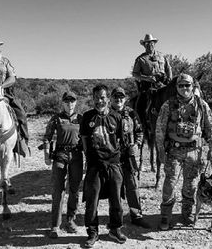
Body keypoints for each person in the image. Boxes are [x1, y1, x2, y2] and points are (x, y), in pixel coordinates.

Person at [155, 72, 212, 230]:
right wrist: (160, 150)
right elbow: (160, 129)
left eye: (187, 85)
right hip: (174, 151)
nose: (184, 88)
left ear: (193, 86)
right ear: (176, 87)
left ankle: (187, 213)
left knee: (191, 185)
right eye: (180, 85)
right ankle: (165, 216)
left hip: (194, 151)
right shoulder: (168, 105)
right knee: (169, 184)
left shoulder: (201, 105)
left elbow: (211, 126)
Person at [80, 85, 128, 247]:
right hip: (95, 165)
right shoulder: (87, 117)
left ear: (108, 99)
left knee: (116, 201)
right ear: (92, 99)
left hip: (113, 164)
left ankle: (115, 229)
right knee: (92, 202)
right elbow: (85, 140)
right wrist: (90, 158)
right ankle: (93, 233)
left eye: (102, 98)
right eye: (96, 98)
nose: (99, 101)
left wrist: (117, 159)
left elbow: (121, 141)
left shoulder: (117, 117)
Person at [40, 91, 84, 238]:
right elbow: (47, 137)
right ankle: (55, 225)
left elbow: (86, 139)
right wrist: (47, 155)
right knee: (58, 189)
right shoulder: (56, 118)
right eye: (67, 101)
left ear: (76, 102)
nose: (69, 104)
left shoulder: (81, 119)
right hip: (60, 155)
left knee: (74, 189)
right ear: (62, 102)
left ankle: (71, 220)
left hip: (77, 156)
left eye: (72, 101)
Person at [112, 88, 150, 228]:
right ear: (111, 99)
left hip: (129, 155)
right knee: (115, 188)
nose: (118, 99)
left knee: (133, 185)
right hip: (113, 157)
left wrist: (137, 145)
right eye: (115, 97)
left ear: (125, 98)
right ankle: (116, 217)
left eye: (121, 97)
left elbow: (140, 131)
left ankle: (136, 215)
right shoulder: (106, 114)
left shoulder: (132, 113)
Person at [132, 34, 173, 123]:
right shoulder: (140, 59)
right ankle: (143, 125)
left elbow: (168, 68)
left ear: (154, 43)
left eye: (151, 43)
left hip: (163, 84)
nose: (149, 45)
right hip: (148, 86)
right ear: (144, 45)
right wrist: (147, 78)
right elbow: (135, 74)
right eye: (147, 43)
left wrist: (170, 79)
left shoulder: (162, 56)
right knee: (140, 104)